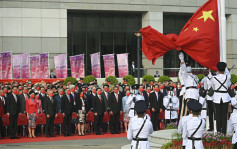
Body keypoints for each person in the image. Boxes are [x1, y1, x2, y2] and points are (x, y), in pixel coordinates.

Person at [210, 62, 231, 134]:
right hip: (225, 97)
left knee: (218, 115)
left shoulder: (214, 78)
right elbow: (228, 85)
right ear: (225, 69)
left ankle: (218, 132)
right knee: (224, 116)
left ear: (217, 70)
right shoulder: (227, 77)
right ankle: (224, 132)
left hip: (217, 97)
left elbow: (212, 87)